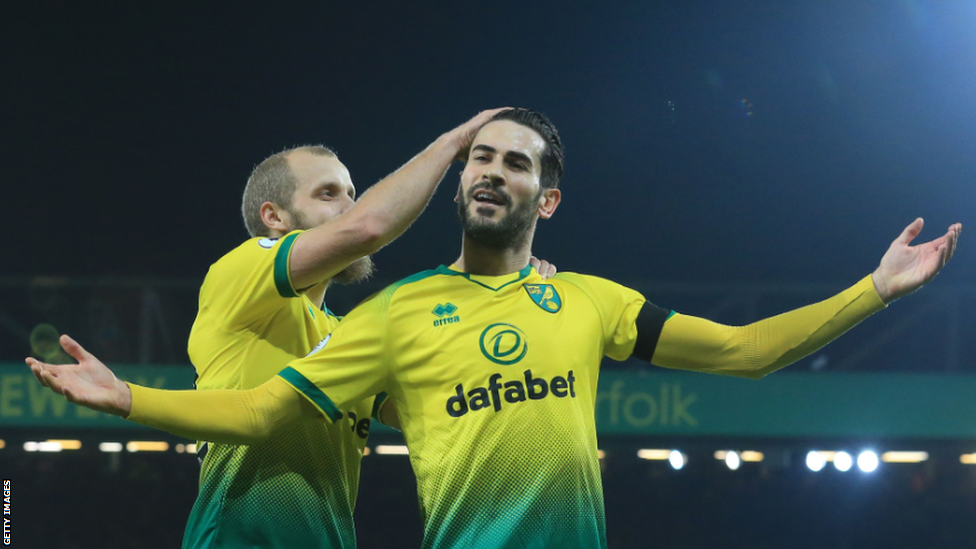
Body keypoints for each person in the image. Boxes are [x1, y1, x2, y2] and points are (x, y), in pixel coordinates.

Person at [28, 108, 961, 549]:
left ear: (546, 199)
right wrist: (128, 400)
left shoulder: (586, 299)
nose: (489, 169)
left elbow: (746, 351)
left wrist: (872, 290)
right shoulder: (370, 307)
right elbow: (272, 408)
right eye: (478, 155)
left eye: (514, 162)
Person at [113, 108, 554, 549]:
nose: (351, 206)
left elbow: (457, 402)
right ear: (275, 217)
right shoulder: (240, 274)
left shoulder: (350, 335)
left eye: (352, 193)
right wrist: (451, 145)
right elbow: (367, 228)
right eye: (328, 194)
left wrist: (516, 298)